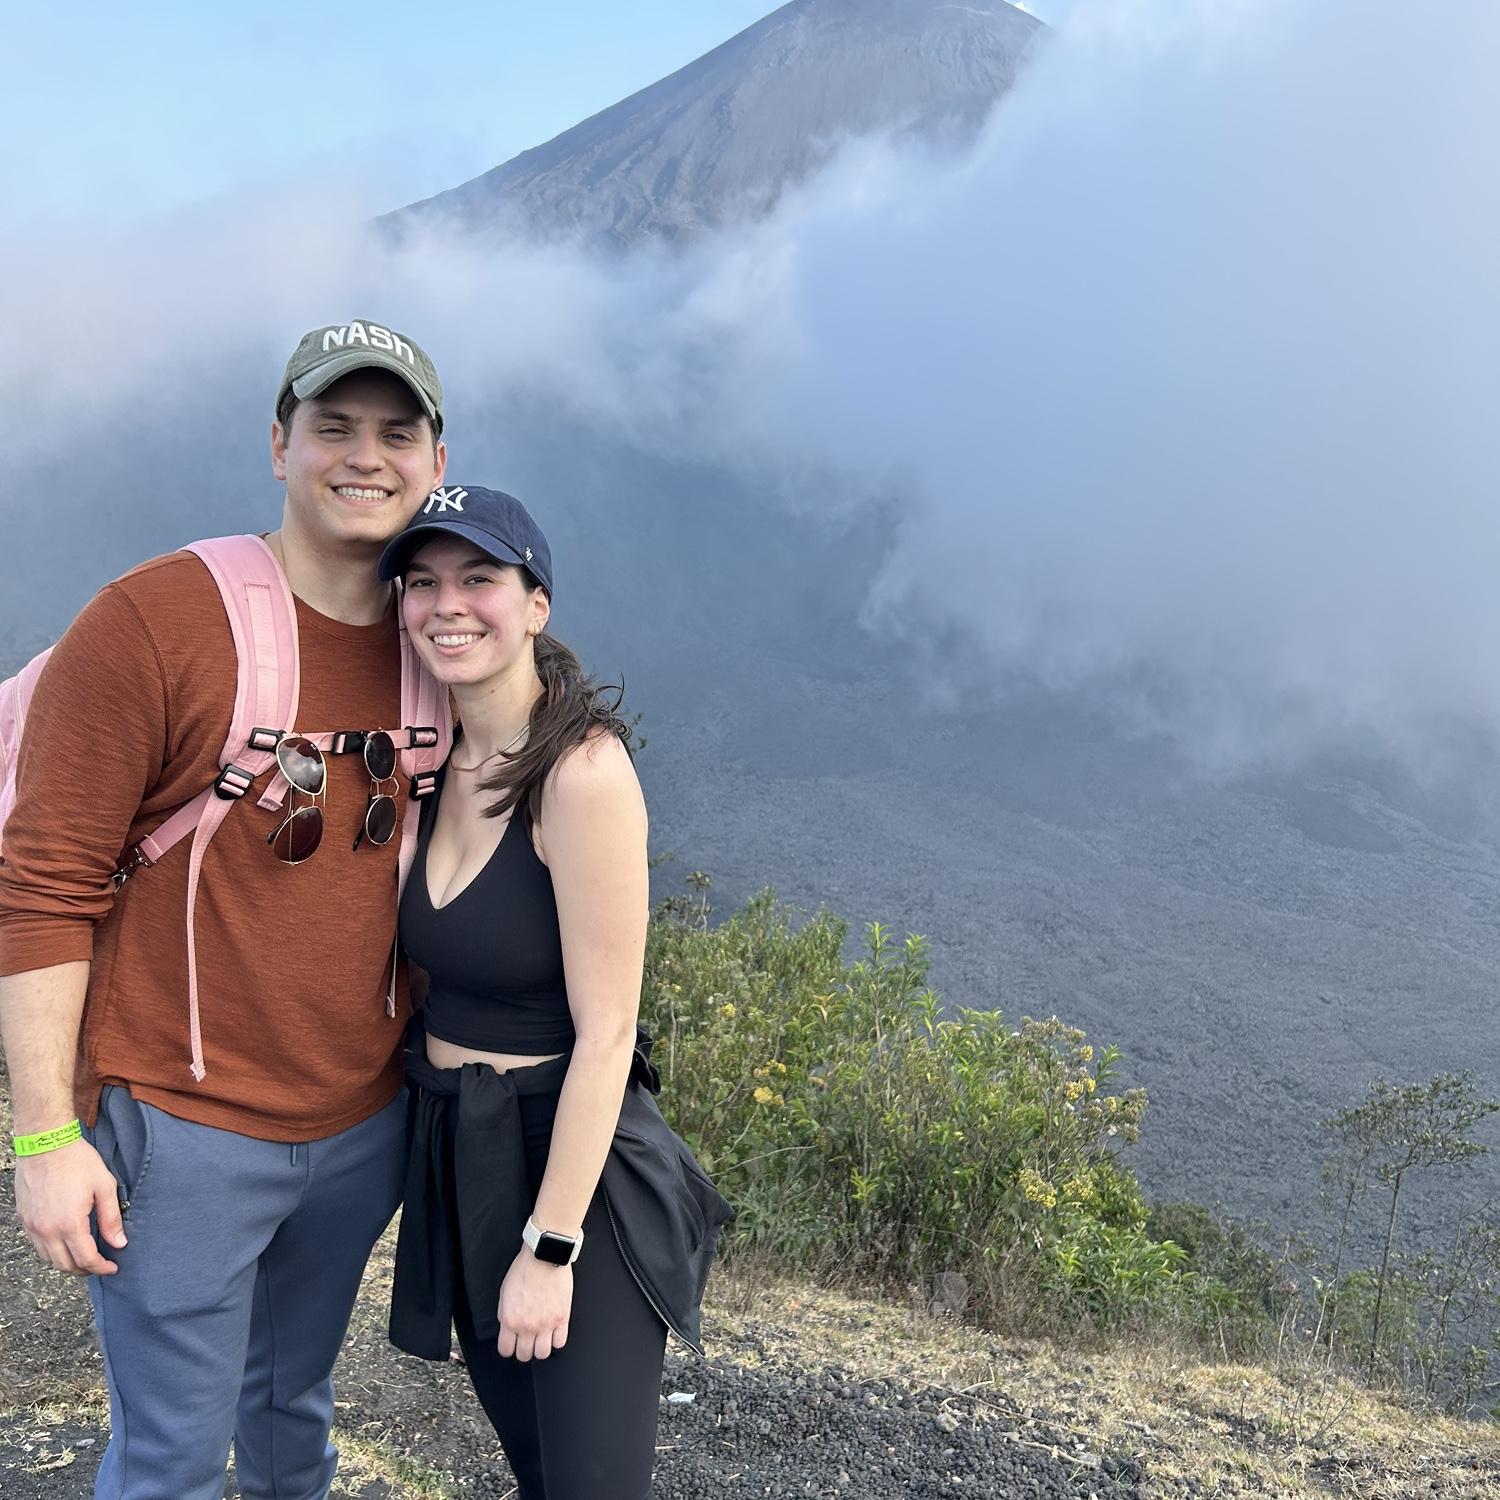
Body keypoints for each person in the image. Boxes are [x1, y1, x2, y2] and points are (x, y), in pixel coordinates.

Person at [0, 320, 448, 1500]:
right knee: (173, 1459)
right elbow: (42, 887)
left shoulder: (444, 642)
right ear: (279, 445)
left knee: (293, 1416)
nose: (365, 456)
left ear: (436, 463)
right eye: (333, 427)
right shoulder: (153, 622)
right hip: (179, 1134)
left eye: (395, 433)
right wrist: (44, 1140)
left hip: (363, 1126)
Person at [380, 486, 730, 1500]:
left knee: (590, 1482)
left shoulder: (580, 775)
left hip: (573, 1171)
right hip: (462, 1149)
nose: (447, 604)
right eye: (422, 583)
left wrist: (551, 1245)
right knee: (536, 1463)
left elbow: (609, 1030)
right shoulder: (429, 765)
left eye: (479, 579)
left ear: (536, 604)